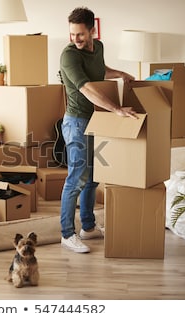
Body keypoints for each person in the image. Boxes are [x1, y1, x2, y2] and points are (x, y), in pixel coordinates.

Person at [59, 7, 138, 253]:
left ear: (93, 31)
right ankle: (67, 234)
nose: (75, 39)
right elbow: (87, 88)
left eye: (80, 34)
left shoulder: (99, 47)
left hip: (95, 120)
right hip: (76, 123)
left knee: (93, 178)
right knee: (76, 179)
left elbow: (99, 71)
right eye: (72, 34)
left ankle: (88, 227)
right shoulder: (69, 55)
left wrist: (120, 73)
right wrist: (116, 109)